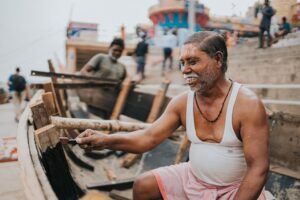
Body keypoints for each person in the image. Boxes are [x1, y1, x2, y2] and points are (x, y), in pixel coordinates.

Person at [76, 31, 269, 199]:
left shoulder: (247, 105)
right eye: (182, 63)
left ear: (218, 60)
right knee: (143, 186)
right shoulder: (182, 102)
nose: (185, 70)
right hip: (193, 179)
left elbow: (258, 169)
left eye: (193, 61)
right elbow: (147, 138)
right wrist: (104, 140)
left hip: (234, 190)